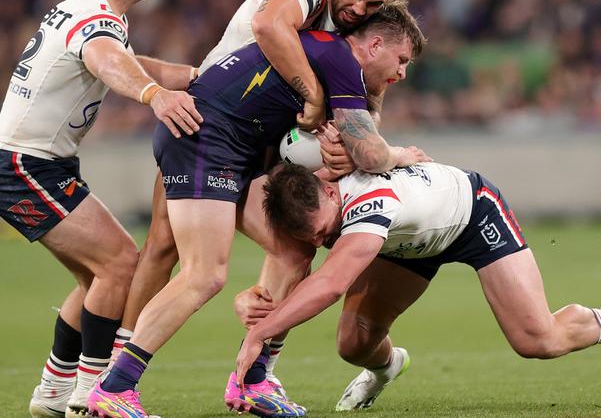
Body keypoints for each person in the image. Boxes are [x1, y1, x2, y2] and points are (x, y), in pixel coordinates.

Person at [87, 0, 431, 418]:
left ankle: (253, 379)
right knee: (203, 275)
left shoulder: (327, 55)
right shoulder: (340, 58)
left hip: (238, 152)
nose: (401, 72)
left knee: (295, 250)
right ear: (374, 45)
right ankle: (114, 387)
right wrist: (399, 154)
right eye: (402, 59)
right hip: (204, 139)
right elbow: (372, 154)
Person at [116, 0, 404, 393]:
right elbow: (269, 25)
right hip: (211, 119)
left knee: (295, 250)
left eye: (372, 5)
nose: (358, 8)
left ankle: (256, 375)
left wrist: (343, 144)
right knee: (166, 246)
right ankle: (105, 374)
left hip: (264, 139)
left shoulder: (355, 29)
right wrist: (313, 95)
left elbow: (364, 117)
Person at [0, 0, 202, 417]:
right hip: (22, 163)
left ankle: (54, 392)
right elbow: (106, 60)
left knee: (97, 277)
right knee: (121, 262)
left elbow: (122, 60)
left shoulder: (90, 12)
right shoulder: (96, 19)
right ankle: (95, 393)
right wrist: (154, 96)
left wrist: (185, 75)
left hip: (35, 163)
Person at [235, 162, 601, 412]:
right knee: (354, 343)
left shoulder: (367, 204)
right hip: (405, 242)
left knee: (537, 341)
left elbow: (330, 284)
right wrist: (249, 295)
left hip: (472, 215)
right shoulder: (317, 201)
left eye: (325, 231)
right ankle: (387, 368)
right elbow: (294, 265)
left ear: (331, 193)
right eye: (312, 237)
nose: (321, 241)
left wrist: (259, 335)